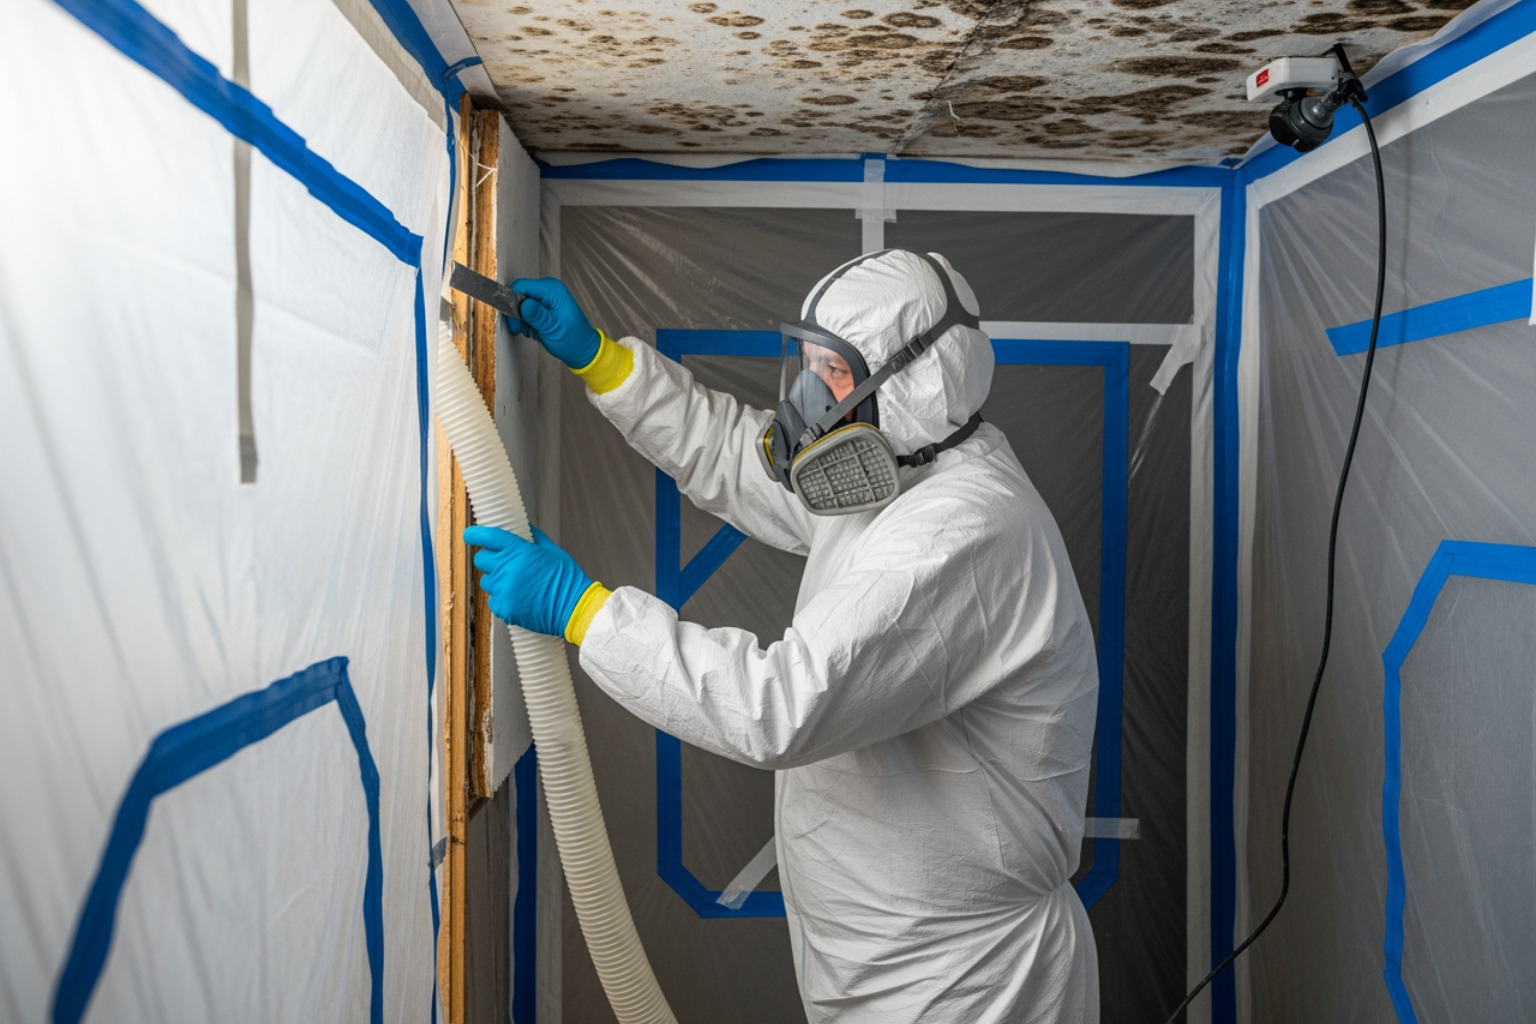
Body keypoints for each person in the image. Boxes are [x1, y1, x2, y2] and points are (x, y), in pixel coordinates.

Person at [465, 249, 1101, 1023]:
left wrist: (584, 611)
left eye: (832, 373)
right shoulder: (904, 466)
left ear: (910, 383)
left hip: (967, 984)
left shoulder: (962, 531)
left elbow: (779, 705)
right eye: (808, 365)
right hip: (883, 959)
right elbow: (746, 462)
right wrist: (605, 364)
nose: (807, 397)